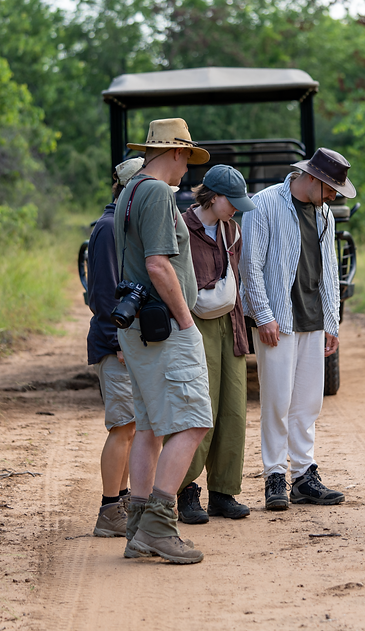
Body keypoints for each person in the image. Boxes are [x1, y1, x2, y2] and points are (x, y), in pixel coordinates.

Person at [113, 118, 213, 564]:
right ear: (175, 152)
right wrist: (186, 322)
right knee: (193, 422)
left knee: (150, 427)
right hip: (165, 329)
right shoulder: (154, 192)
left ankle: (137, 525)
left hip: (139, 329)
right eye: (187, 159)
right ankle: (158, 526)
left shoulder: (129, 190)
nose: (186, 170)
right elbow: (157, 265)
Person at [240, 148, 355, 511]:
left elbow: (330, 270)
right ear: (312, 179)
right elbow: (250, 265)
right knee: (276, 399)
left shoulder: (325, 215)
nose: (335, 196)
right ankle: (274, 475)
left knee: (308, 402)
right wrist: (263, 314)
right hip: (278, 318)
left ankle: (304, 476)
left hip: (313, 317)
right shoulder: (264, 204)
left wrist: (333, 321)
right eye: (332, 188)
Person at [174, 165, 256, 524]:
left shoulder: (231, 230)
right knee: (196, 408)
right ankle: (186, 491)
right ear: (213, 196)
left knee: (233, 410)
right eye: (231, 202)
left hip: (230, 324)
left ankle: (224, 491)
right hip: (194, 326)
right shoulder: (181, 227)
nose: (236, 208)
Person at [88, 158, 143, 538]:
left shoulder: (121, 225)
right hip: (115, 341)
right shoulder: (109, 228)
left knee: (132, 427)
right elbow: (104, 294)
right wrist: (117, 339)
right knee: (122, 427)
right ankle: (109, 509)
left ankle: (120, 501)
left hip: (124, 340)